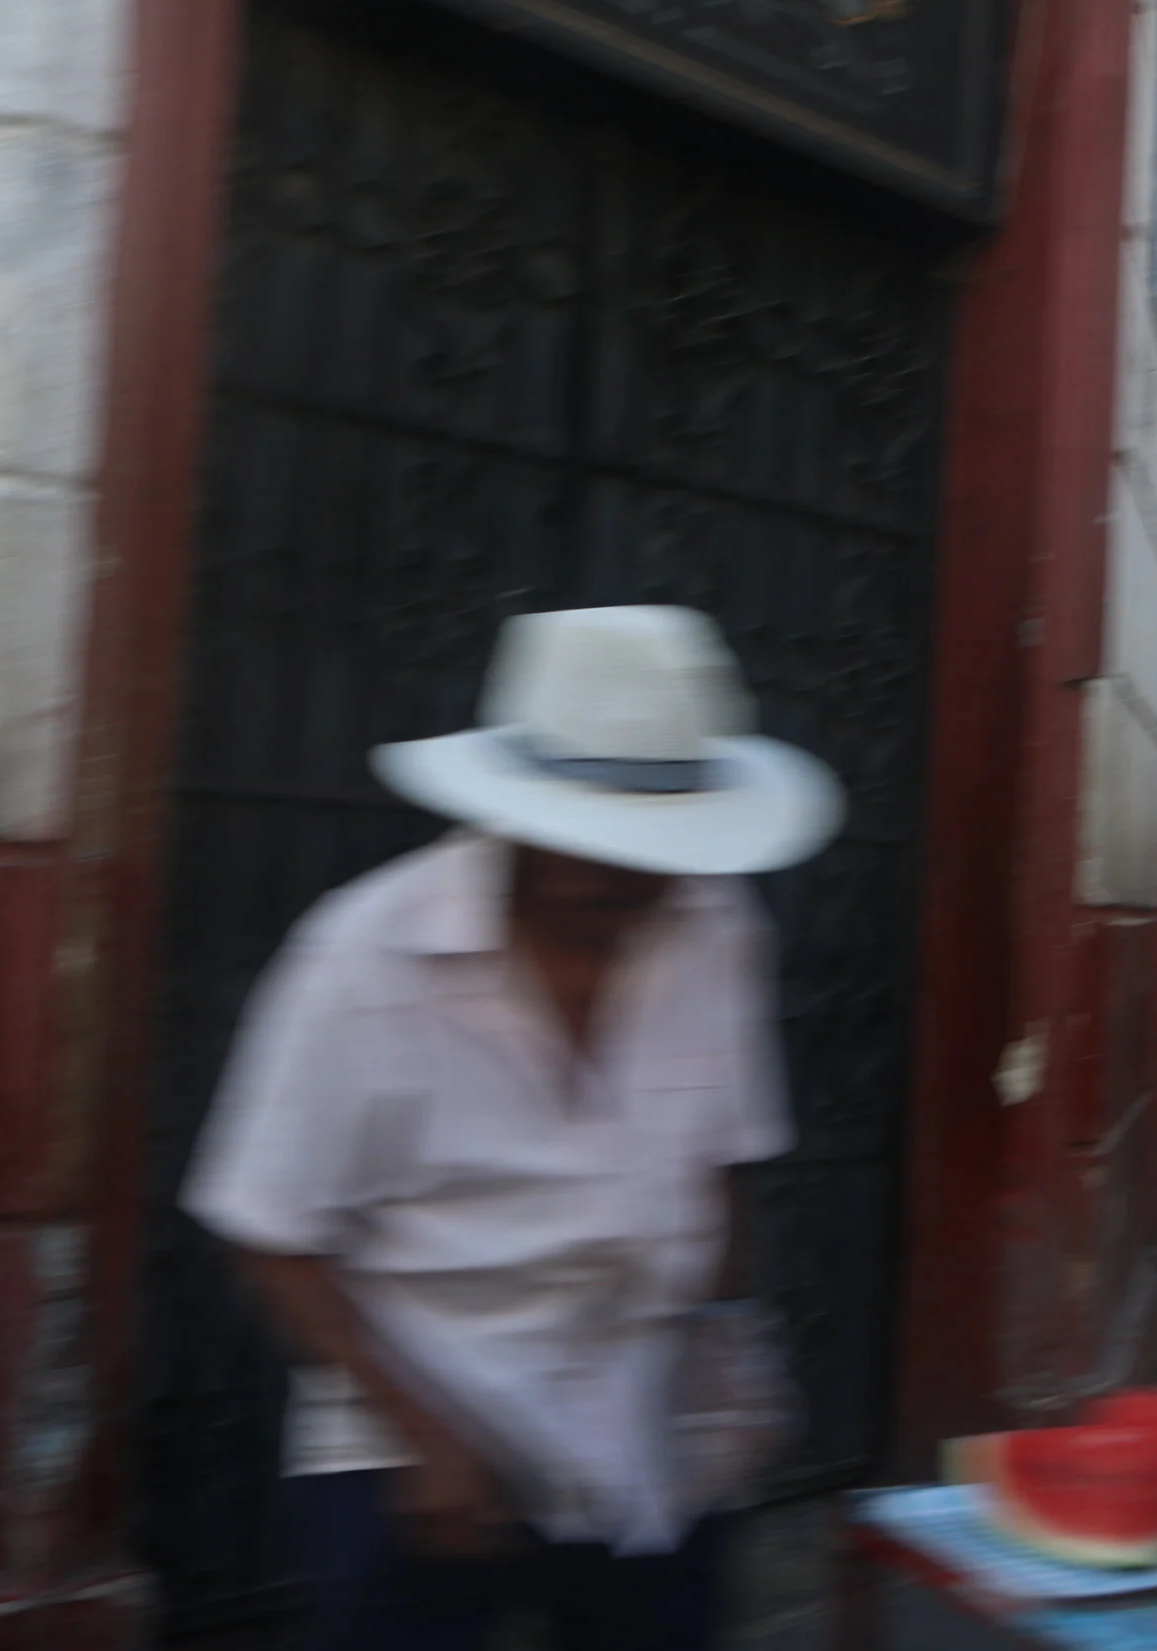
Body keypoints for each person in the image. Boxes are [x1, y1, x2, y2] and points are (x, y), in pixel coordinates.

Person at [182, 606, 844, 1651]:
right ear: (516, 819)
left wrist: (730, 1339)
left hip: (645, 1418)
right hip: (415, 1420)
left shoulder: (719, 928)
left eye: (658, 851)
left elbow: (723, 1162)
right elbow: (268, 1226)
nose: (632, 882)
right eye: (596, 849)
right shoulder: (360, 955)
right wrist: (429, 1434)